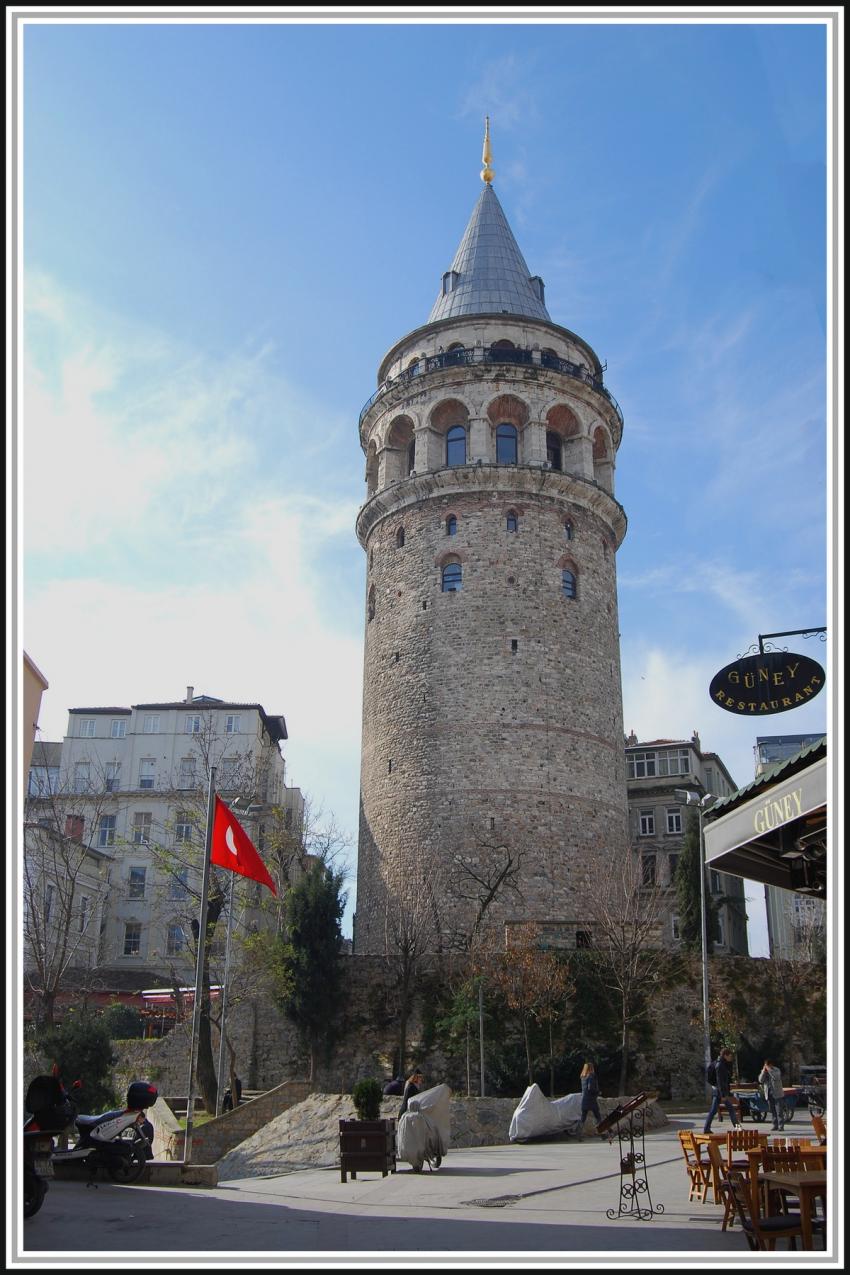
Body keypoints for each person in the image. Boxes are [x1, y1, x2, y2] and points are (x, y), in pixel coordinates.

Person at [703, 1047, 739, 1133]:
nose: (731, 1058)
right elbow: (720, 1081)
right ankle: (738, 1128)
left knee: (715, 1110)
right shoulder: (720, 1065)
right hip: (720, 1092)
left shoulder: (721, 1064)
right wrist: (723, 1095)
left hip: (719, 1091)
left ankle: (706, 1128)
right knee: (728, 1109)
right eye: (730, 1056)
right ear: (725, 1055)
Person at [758, 1058, 785, 1130]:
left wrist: (769, 1070)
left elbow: (776, 1077)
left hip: (777, 1093)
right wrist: (764, 1071)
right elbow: (760, 1080)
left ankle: (781, 1126)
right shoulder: (764, 1071)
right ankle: (775, 1125)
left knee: (779, 1110)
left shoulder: (776, 1070)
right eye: (765, 1065)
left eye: (767, 1065)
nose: (766, 1066)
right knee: (772, 1110)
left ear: (771, 1065)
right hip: (769, 1093)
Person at [579, 1061, 603, 1137]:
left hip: (584, 1099)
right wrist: (598, 1092)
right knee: (598, 1116)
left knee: (583, 1118)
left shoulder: (583, 1076)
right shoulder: (591, 1076)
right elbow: (590, 1088)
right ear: (591, 1068)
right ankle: (601, 1133)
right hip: (591, 1100)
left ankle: (578, 1133)